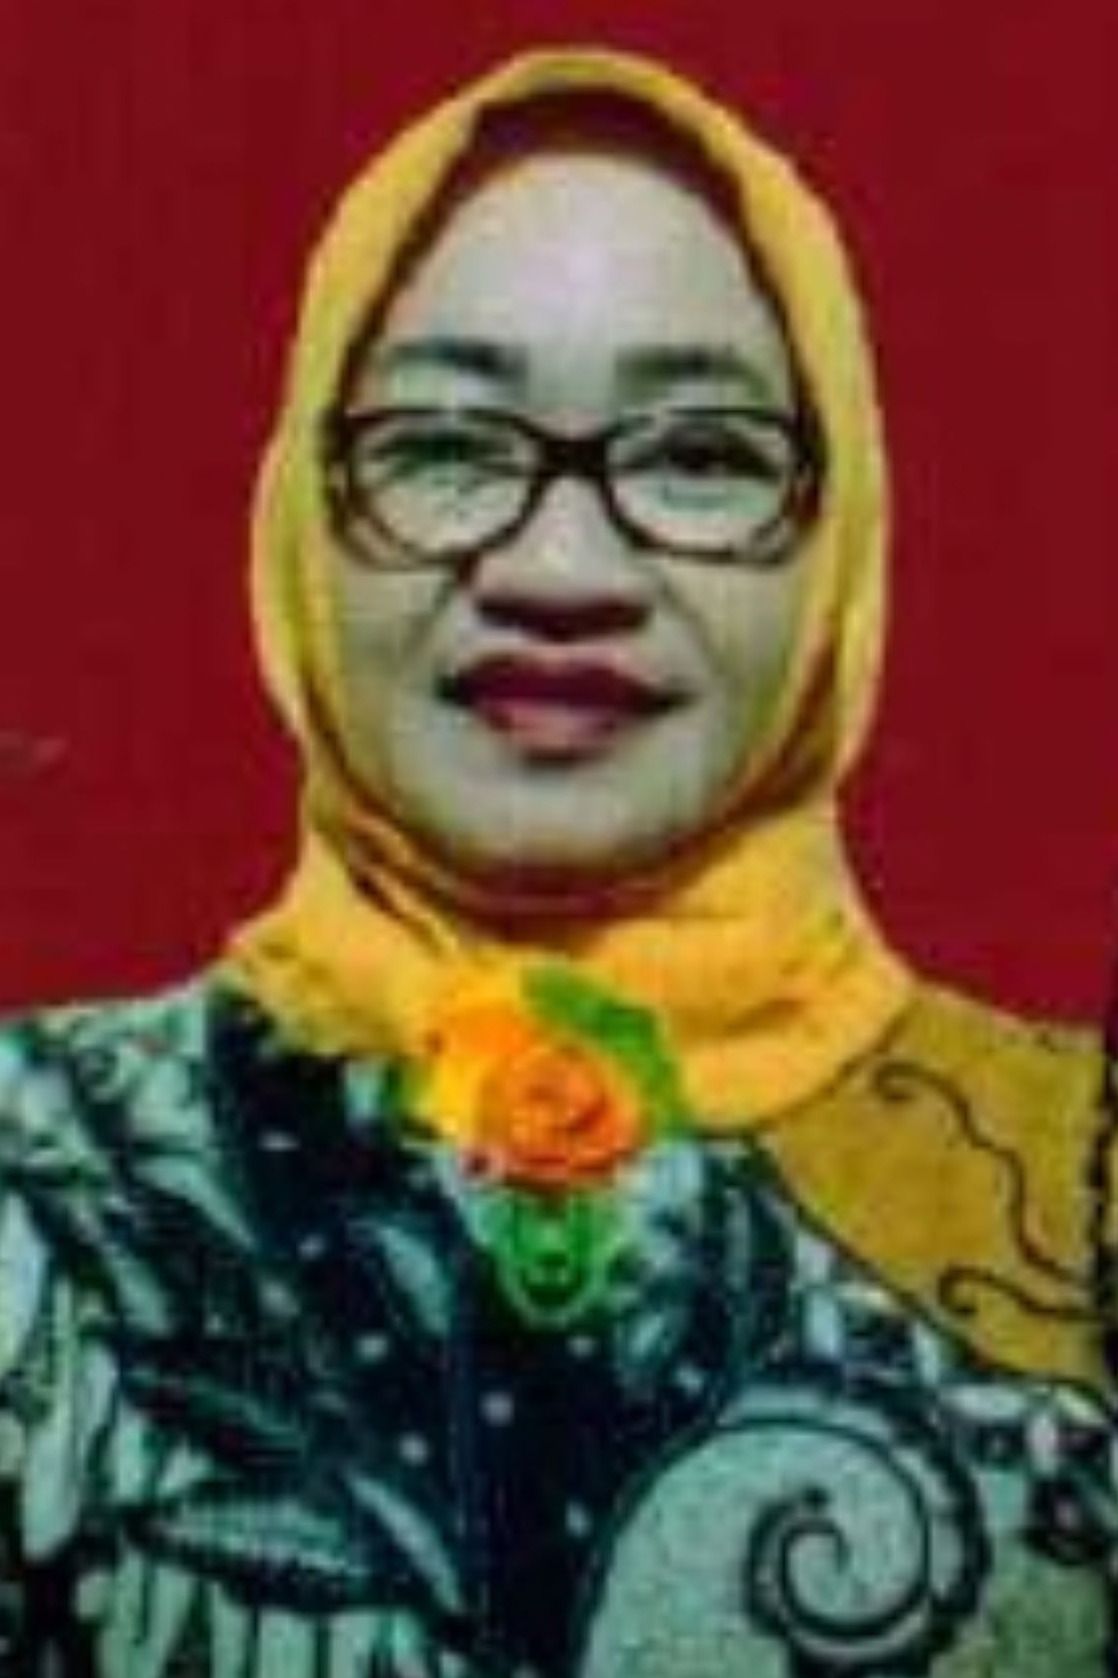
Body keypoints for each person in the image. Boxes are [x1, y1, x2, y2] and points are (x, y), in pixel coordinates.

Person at [0, 44, 1114, 1678]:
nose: (562, 565)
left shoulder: (1071, 1187)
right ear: (299, 515)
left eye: (699, 454)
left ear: (840, 539)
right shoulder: (40, 1170)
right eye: (444, 443)